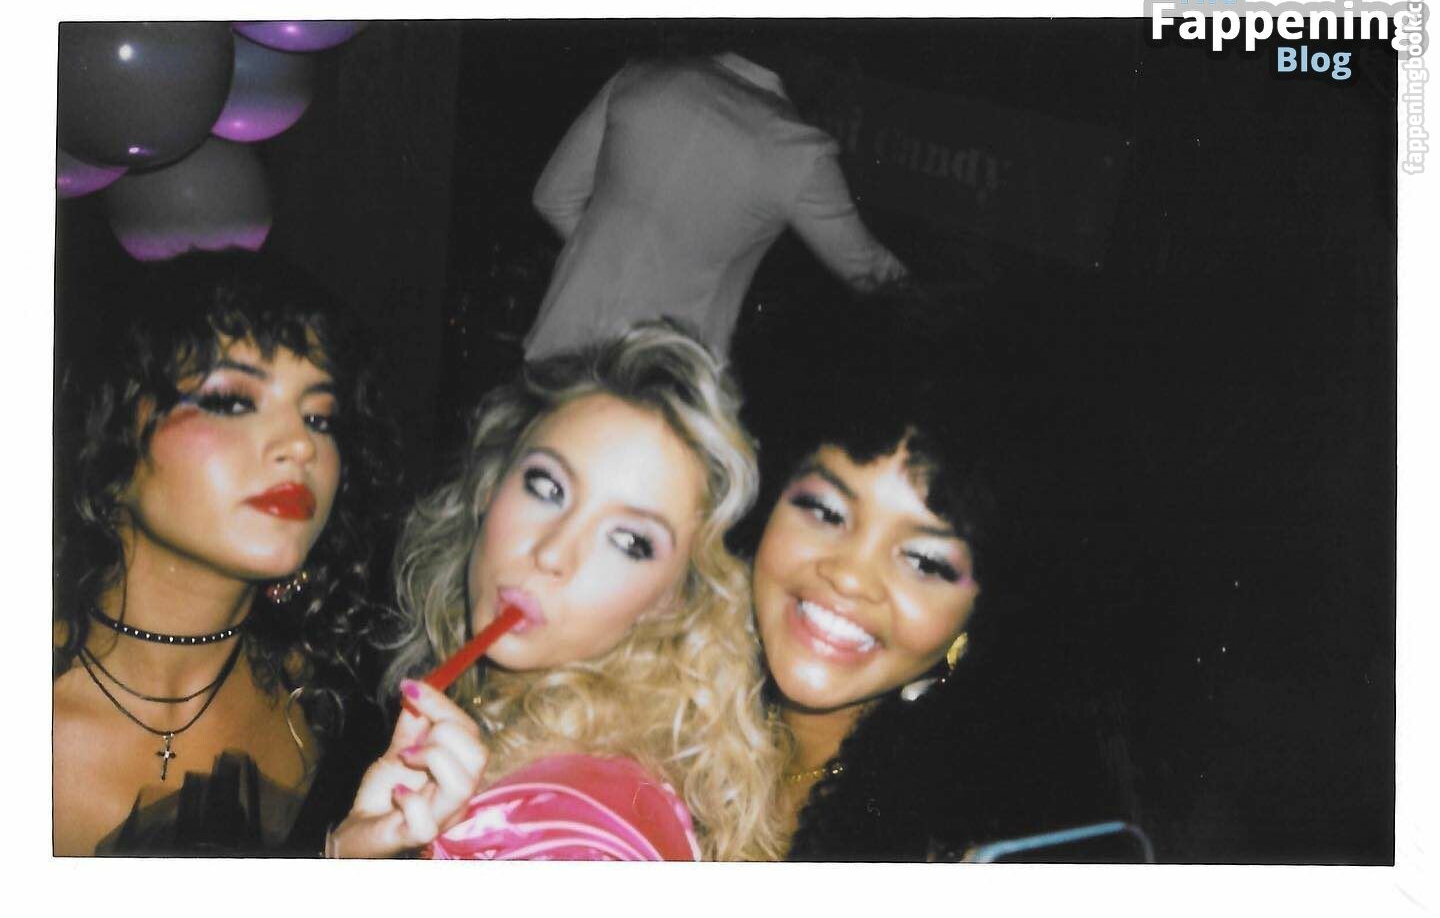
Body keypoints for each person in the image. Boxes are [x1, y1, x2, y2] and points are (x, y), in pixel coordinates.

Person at [330, 323, 785, 861]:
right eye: (547, 487)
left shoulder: (578, 837)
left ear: (672, 602)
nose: (553, 553)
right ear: (489, 486)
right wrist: (353, 851)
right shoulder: (504, 724)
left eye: (630, 541)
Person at [52, 252, 398, 856]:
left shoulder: (340, 711)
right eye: (231, 401)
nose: (301, 445)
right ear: (106, 435)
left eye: (320, 417)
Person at [731, 293, 1004, 861]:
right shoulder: (649, 706)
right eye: (826, 511)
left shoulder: (939, 860)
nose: (851, 576)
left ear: (980, 619)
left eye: (925, 561)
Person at [525, 49, 908, 362]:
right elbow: (871, 273)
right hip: (665, 381)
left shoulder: (642, 76)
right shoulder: (798, 148)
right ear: (816, 63)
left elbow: (552, 198)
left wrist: (611, 264)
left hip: (555, 351)